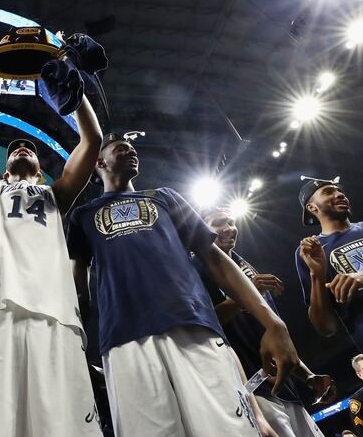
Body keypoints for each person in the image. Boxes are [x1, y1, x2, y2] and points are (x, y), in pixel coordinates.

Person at [66, 132, 300, 436]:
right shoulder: (82, 216)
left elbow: (216, 260)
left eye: (133, 148)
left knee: (231, 430)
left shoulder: (165, 197)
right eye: (122, 149)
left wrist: (273, 323)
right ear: (99, 161)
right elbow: (78, 287)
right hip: (124, 340)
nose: (132, 151)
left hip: (194, 326)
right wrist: (74, 344)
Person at [0, 71, 104, 437]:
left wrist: (77, 99)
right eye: (13, 149)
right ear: (3, 163)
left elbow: (93, 141)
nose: (21, 149)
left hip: (55, 313)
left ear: (41, 170)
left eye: (28, 149)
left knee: (56, 426)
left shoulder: (55, 195)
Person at [199, 208, 334, 437]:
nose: (229, 228)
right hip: (250, 387)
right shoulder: (197, 269)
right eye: (219, 222)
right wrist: (245, 294)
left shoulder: (247, 268)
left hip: (284, 387)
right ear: (200, 228)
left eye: (231, 222)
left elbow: (272, 333)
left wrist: (308, 376)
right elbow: (206, 324)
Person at [295, 179, 363, 392]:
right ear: (312, 208)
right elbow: (326, 328)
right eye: (329, 192)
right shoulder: (311, 252)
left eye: (340, 191)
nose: (339, 194)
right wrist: (316, 274)